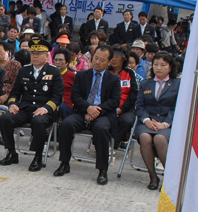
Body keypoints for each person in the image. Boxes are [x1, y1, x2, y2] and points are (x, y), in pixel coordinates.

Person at [54, 45, 121, 184]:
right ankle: (64, 163)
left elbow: (114, 101)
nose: (97, 62)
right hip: (82, 111)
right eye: (95, 58)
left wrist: (96, 110)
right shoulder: (82, 75)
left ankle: (102, 170)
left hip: (103, 113)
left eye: (102, 60)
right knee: (66, 124)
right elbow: (75, 96)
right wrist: (88, 108)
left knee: (101, 129)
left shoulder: (114, 79)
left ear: (109, 62)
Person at [0, 38, 64, 171]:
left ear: (46, 56)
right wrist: (13, 104)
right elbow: (15, 92)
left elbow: (57, 96)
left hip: (43, 109)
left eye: (39, 54)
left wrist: (46, 108)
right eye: (33, 53)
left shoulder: (54, 72)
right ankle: (11, 152)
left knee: (39, 122)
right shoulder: (24, 70)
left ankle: (37, 156)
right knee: (5, 119)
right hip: (25, 108)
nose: (35, 56)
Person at [134, 52, 180, 190]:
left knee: (160, 139)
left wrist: (165, 124)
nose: (158, 68)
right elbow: (139, 105)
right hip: (147, 122)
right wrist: (146, 120)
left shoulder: (178, 84)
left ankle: (170, 177)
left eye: (163, 65)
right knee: (144, 137)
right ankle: (153, 176)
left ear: (170, 67)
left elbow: (177, 107)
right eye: (156, 64)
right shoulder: (145, 83)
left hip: (167, 123)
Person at [108, 48, 139, 150]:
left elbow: (133, 94)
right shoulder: (106, 71)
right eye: (112, 57)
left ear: (124, 59)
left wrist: (122, 109)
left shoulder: (130, 73)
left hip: (126, 107)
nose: (114, 59)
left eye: (117, 57)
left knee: (126, 121)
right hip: (108, 106)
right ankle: (102, 143)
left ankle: (112, 146)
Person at [0, 41, 21, 107]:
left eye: (0, 51)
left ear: (7, 51)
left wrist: (7, 95)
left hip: (10, 94)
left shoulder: (15, 65)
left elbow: (16, 83)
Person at [53, 47, 76, 120]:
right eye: (56, 60)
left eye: (60, 60)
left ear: (67, 62)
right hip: (51, 101)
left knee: (62, 108)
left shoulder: (73, 76)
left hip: (66, 104)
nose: (57, 62)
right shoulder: (49, 75)